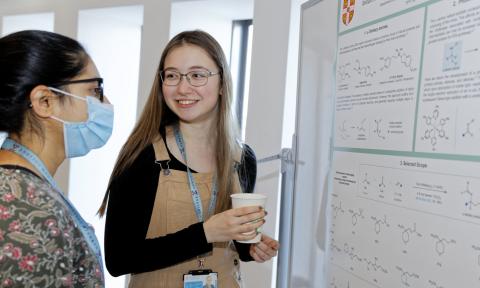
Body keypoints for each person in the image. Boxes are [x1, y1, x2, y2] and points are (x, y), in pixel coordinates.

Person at [99, 30, 279, 287]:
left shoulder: (242, 158)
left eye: (197, 75)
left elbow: (232, 244)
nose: (183, 88)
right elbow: (119, 259)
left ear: (222, 83)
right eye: (172, 75)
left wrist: (249, 246)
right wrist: (206, 233)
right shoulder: (141, 156)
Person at [0, 30, 110, 287]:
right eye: (95, 90)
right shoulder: (25, 203)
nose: (105, 103)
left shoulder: (23, 186)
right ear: (45, 101)